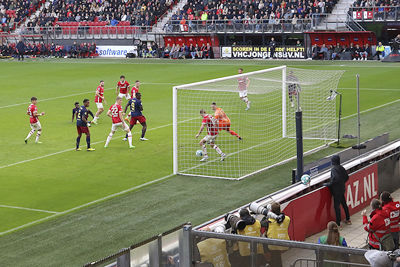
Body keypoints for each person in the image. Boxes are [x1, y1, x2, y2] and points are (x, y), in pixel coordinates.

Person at [323, 155, 351, 227]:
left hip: (336, 191)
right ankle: (348, 219)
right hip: (342, 189)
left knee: (337, 206)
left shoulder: (333, 169)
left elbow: (336, 178)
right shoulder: (341, 168)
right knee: (344, 204)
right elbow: (347, 177)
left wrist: (328, 184)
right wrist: (342, 183)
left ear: (333, 162)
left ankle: (338, 223)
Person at [264, 202, 290, 267]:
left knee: (263, 242)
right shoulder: (287, 218)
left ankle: (268, 263)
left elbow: (262, 223)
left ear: (271, 211)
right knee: (276, 256)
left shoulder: (269, 220)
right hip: (284, 242)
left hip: (273, 244)